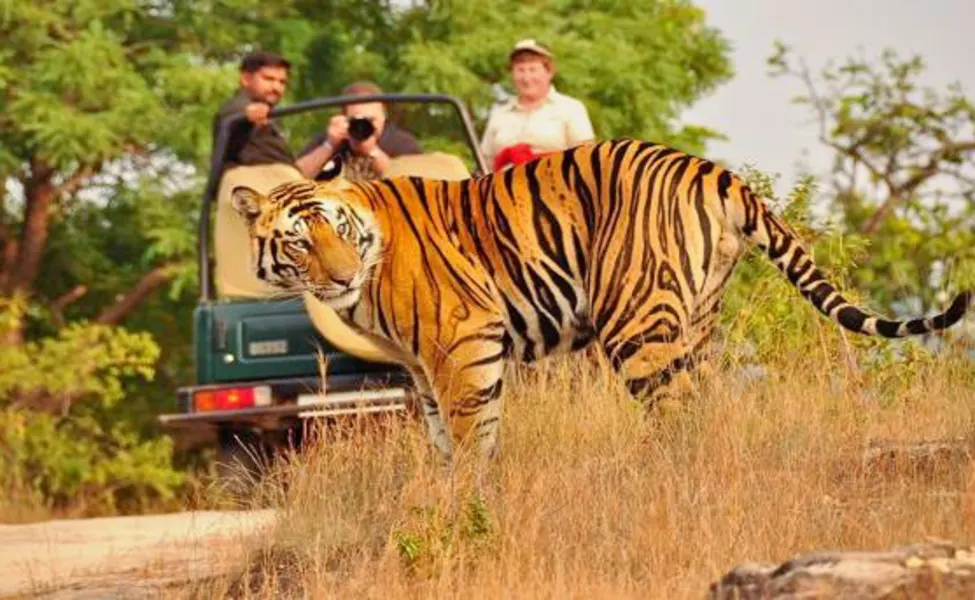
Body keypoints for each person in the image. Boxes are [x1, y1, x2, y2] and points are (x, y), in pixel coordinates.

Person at [211, 51, 331, 179]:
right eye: (268, 79)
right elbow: (235, 115)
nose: (276, 87)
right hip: (252, 186)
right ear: (246, 79)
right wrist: (249, 112)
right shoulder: (236, 110)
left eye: (282, 82)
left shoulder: (272, 119)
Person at [480, 39, 595, 171]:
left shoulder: (571, 109)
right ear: (512, 74)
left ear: (549, 72)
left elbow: (586, 161)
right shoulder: (499, 114)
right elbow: (485, 164)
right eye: (520, 70)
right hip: (502, 187)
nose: (526, 78)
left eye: (533, 69)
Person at [298, 81, 422, 182]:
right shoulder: (331, 139)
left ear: (384, 118)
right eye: (356, 120)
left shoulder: (401, 143)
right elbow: (294, 177)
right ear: (343, 118)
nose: (363, 126)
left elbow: (413, 186)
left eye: (371, 120)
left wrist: (373, 152)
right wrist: (328, 146)